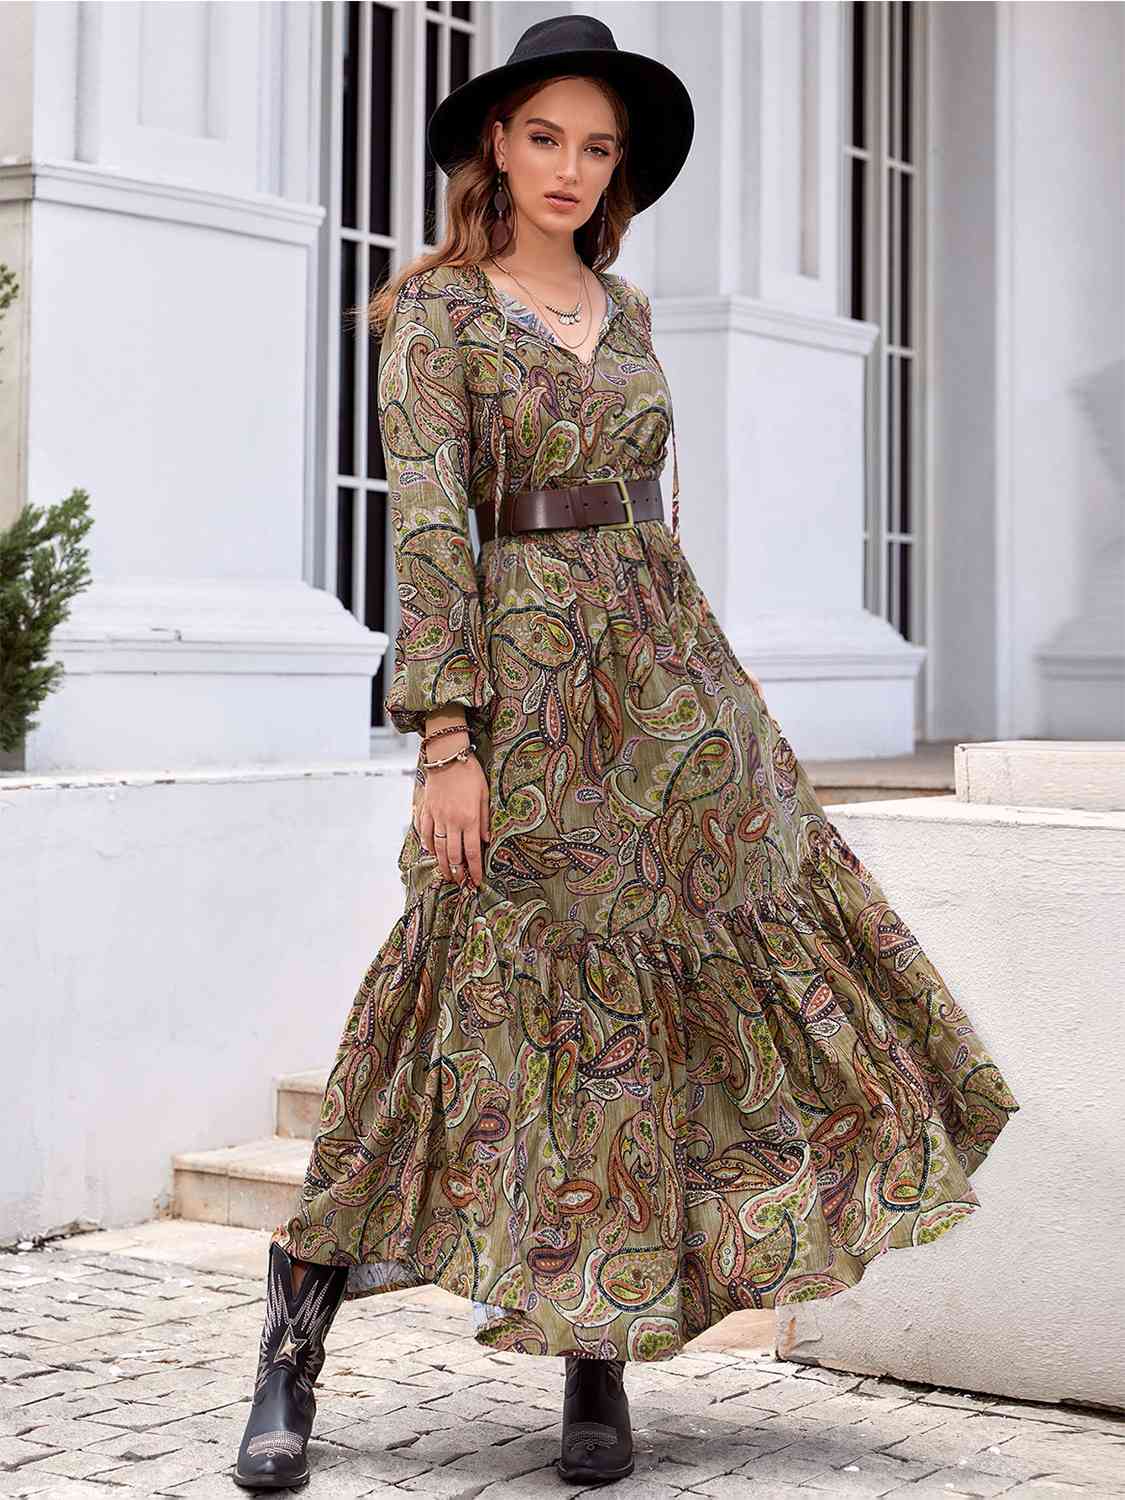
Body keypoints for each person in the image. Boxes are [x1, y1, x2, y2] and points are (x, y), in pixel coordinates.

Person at [233, 14, 1021, 1493]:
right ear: (494, 143)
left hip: (669, 693)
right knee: (448, 1002)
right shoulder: (435, 314)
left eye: (597, 149)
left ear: (619, 172)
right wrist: (446, 737)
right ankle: (292, 1340)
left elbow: (653, 515)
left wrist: (709, 693)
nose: (569, 168)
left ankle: (598, 1357)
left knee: (656, 1024)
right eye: (544, 137)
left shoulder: (631, 310)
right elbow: (429, 529)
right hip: (525, 699)